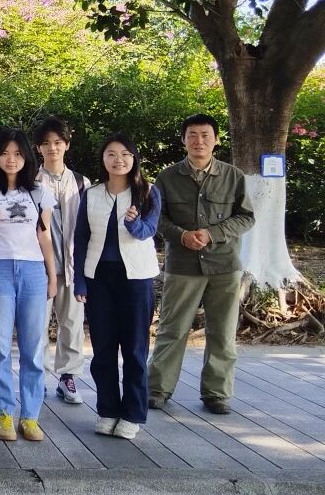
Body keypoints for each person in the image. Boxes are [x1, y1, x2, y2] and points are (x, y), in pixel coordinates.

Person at [147, 114, 254, 415]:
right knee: (172, 328)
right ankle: (157, 389)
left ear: (216, 140)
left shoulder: (233, 176)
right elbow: (156, 217)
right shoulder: (167, 177)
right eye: (192, 135)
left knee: (222, 331)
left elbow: (246, 217)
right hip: (182, 265)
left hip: (224, 264)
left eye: (205, 135)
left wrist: (212, 234)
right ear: (183, 140)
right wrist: (181, 236)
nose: (199, 141)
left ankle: (216, 393)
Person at [0, 129, 57, 442]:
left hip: (33, 271)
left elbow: (44, 235)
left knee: (33, 347)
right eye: (5, 153)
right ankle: (4, 413)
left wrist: (52, 275)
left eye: (17, 153)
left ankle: (30, 416)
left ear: (26, 157)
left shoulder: (40, 191)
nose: (11, 159)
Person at [74, 133, 161, 440]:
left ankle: (133, 414)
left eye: (125, 154)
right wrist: (79, 279)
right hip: (99, 279)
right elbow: (81, 238)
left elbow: (149, 230)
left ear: (134, 158)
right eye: (111, 154)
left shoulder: (148, 192)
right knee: (103, 350)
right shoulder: (91, 194)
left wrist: (133, 223)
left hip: (137, 279)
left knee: (135, 349)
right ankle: (108, 410)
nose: (118, 160)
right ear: (103, 159)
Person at [33, 116, 89, 404]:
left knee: (72, 323)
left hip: (72, 267)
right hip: (39, 267)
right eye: (46, 143)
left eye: (57, 142)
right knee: (36, 325)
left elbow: (88, 227)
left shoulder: (81, 182)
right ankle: (37, 378)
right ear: (38, 148)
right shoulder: (30, 182)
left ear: (67, 144)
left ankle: (68, 377)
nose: (52, 148)